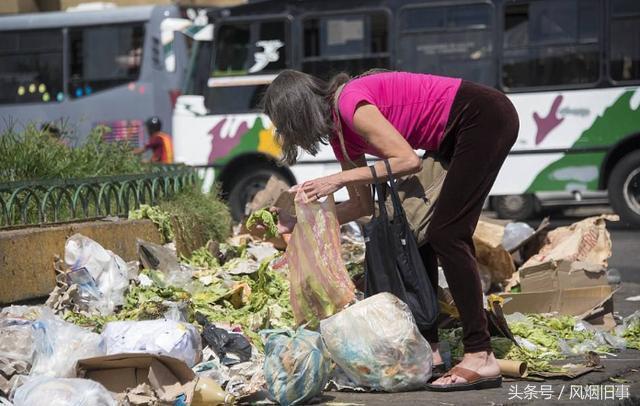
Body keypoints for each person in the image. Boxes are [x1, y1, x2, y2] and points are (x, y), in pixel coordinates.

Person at [262, 70, 519, 391]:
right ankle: (432, 349)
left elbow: (408, 161)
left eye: (284, 124)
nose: (286, 133)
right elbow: (361, 207)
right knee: (411, 231)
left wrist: (337, 180)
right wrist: (298, 220)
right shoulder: (342, 136)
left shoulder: (349, 103)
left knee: (448, 234)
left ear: (297, 112)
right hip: (452, 135)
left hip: (482, 116)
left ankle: (480, 354)